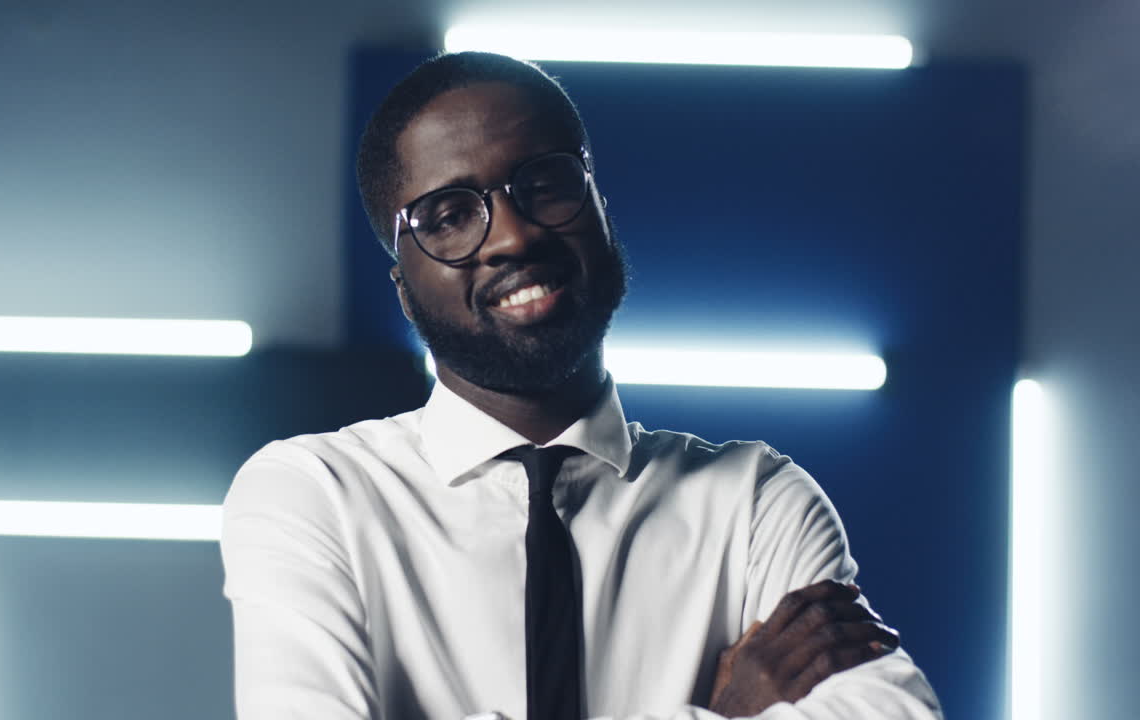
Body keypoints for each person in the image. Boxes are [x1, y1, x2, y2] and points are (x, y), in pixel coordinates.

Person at [220, 51, 943, 720]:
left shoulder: (754, 502)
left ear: (598, 209)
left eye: (545, 184)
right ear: (404, 287)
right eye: (449, 216)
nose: (512, 236)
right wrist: (723, 712)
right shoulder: (314, 496)